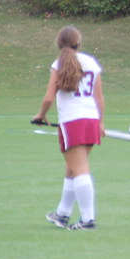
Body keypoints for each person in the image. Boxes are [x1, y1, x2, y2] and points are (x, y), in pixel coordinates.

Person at [31, 26, 105, 230]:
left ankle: (88, 219)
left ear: (59, 43)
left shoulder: (59, 64)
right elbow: (99, 98)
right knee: (72, 168)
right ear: (78, 43)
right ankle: (62, 214)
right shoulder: (91, 62)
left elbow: (49, 98)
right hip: (91, 119)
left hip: (73, 121)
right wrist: (100, 122)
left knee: (79, 169)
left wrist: (40, 115)